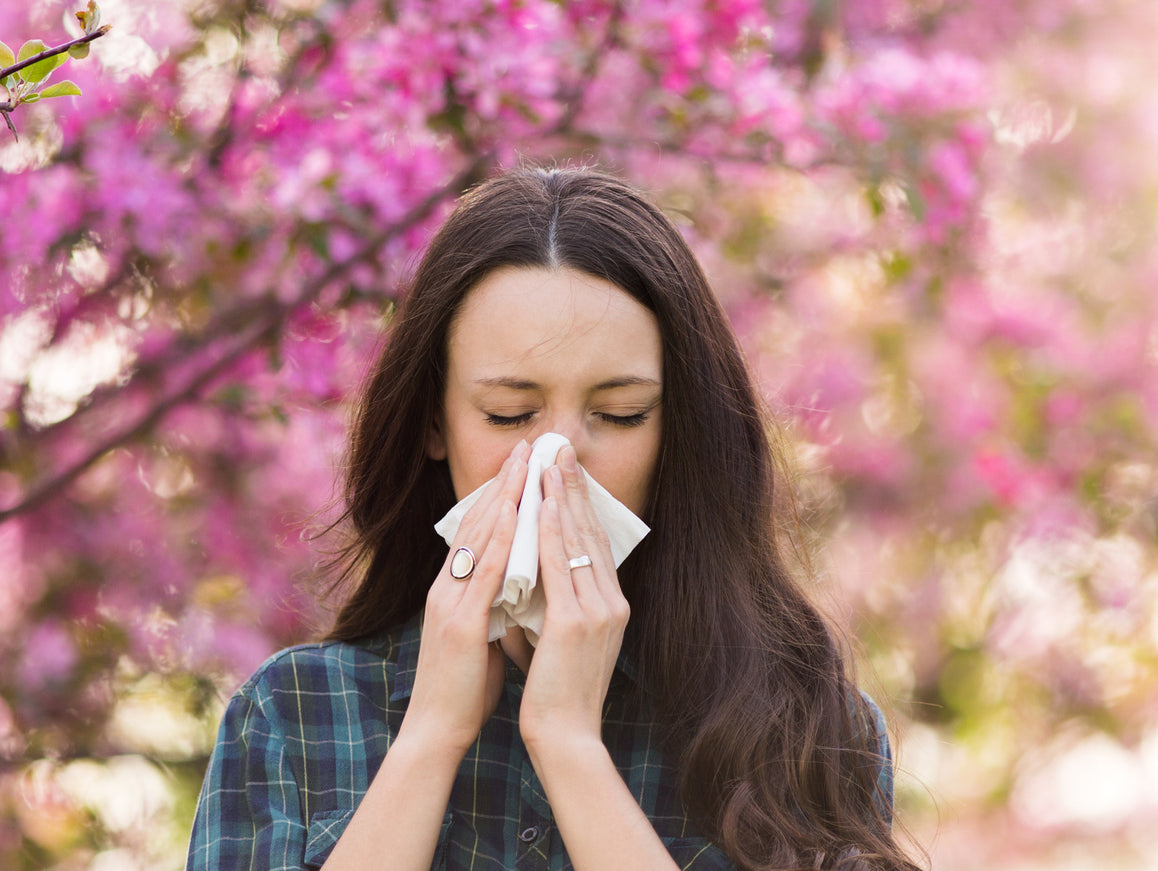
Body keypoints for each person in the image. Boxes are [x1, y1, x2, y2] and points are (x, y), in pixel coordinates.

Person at [185, 168, 919, 870]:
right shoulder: (293, 715)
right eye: (510, 413)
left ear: (677, 430)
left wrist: (570, 746)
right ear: (434, 422)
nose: (560, 460)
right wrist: (431, 736)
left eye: (620, 414)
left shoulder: (805, 732)